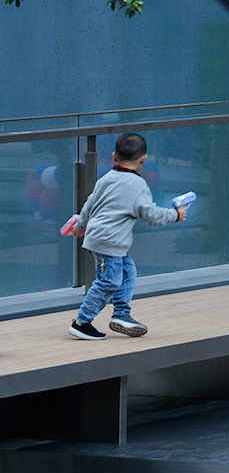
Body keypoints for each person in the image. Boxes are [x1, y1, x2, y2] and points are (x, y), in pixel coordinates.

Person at [64, 132, 188, 340]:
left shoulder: (106, 178)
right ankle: (81, 322)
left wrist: (80, 225)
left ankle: (121, 315)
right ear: (143, 159)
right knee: (108, 282)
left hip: (108, 240)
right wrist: (176, 215)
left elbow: (90, 204)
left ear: (114, 157)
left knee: (127, 273)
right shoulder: (138, 186)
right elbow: (152, 215)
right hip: (108, 241)